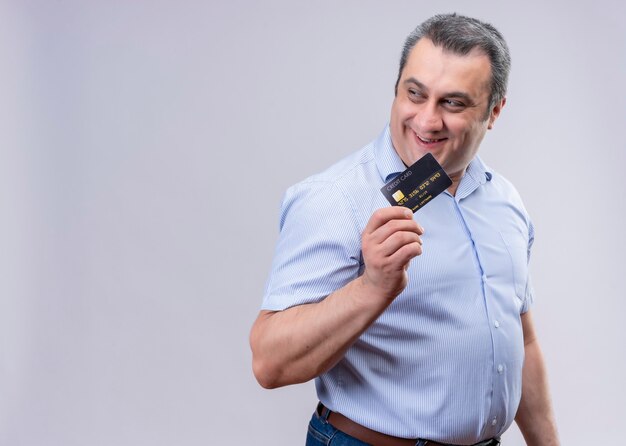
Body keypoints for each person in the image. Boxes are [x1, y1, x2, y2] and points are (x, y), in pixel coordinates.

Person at [250, 13, 559, 446]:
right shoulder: (335, 197)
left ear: (495, 111)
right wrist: (372, 287)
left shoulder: (504, 200)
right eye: (415, 94)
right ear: (397, 88)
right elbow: (269, 362)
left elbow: (522, 342)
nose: (426, 121)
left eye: (453, 103)